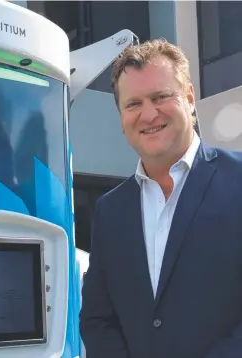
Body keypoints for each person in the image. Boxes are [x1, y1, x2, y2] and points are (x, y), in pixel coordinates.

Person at [79, 39, 242, 358]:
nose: (148, 114)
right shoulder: (110, 210)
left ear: (190, 98)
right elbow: (98, 319)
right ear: (121, 116)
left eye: (161, 97)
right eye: (133, 104)